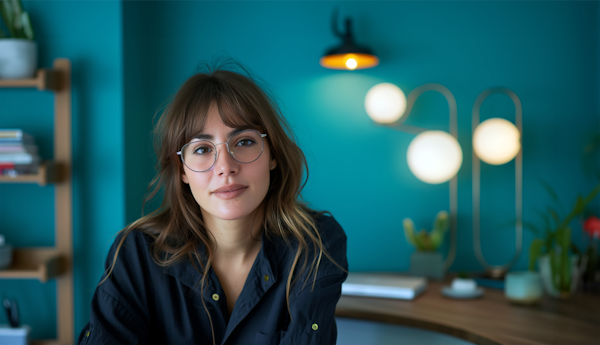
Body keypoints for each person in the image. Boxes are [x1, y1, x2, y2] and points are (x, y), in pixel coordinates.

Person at [78, 62, 348, 345]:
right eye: (202, 149)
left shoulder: (316, 245)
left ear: (273, 155)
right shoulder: (136, 254)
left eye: (244, 141)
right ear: (181, 169)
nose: (225, 167)